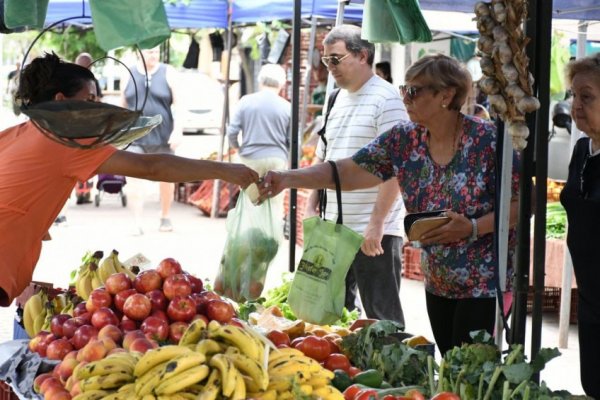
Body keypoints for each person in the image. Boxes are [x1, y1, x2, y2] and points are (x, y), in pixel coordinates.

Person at [258, 53, 519, 355]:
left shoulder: (487, 140)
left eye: (415, 90)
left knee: (473, 367)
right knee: (451, 360)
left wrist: (473, 227)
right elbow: (347, 170)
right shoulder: (404, 139)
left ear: (446, 95)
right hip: (438, 278)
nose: (405, 98)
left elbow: (522, 203)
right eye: (403, 89)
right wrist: (287, 179)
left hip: (486, 282)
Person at [0, 52, 258, 307]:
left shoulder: (17, 133)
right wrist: (225, 171)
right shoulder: (65, 141)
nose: (96, 105)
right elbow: (152, 167)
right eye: (89, 99)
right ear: (60, 100)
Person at [306, 25, 408, 327]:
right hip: (334, 227)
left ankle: (391, 376)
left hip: (374, 231)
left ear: (363, 55)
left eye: (335, 59)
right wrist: (312, 206)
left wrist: (376, 224)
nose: (330, 68)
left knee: (383, 319)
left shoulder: (387, 99)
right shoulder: (335, 98)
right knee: (335, 317)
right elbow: (325, 156)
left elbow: (396, 168)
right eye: (326, 61)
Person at [560, 52, 600, 399]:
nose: (576, 105)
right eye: (574, 95)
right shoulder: (582, 151)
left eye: (586, 96)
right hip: (589, 297)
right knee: (593, 384)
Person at [121, 46, 182, 234]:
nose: (153, 55)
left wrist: (178, 130)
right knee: (133, 181)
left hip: (163, 136)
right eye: (149, 51)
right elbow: (123, 105)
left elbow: (179, 104)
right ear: (139, 53)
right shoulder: (128, 73)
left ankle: (165, 216)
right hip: (135, 137)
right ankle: (137, 222)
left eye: (156, 51)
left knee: (166, 179)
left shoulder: (168, 72)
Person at [227, 63, 290, 217]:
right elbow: (293, 140)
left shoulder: (245, 101)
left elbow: (232, 132)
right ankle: (272, 239)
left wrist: (239, 149)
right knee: (273, 208)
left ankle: (248, 240)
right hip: (277, 161)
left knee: (250, 206)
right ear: (281, 84)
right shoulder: (287, 107)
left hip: (250, 160)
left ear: (260, 81)